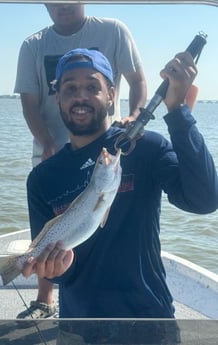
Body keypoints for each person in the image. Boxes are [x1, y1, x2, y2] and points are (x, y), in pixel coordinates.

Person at [22, 48, 218, 343]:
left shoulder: (144, 147)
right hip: (80, 328)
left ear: (111, 94)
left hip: (150, 320)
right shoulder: (42, 178)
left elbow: (205, 199)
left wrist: (178, 111)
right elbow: (58, 271)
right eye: (70, 88)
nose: (81, 96)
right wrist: (57, 269)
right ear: (58, 98)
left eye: (92, 86)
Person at [14, 3, 147, 319]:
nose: (62, 5)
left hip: (104, 147)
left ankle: (111, 303)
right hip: (52, 155)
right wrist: (47, 142)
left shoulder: (113, 30)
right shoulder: (33, 45)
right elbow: (29, 102)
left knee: (100, 225)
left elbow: (137, 79)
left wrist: (136, 115)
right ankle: (46, 298)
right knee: (53, 237)